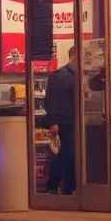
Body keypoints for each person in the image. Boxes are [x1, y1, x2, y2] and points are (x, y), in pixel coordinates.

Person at [44, 47, 77, 195]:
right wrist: (52, 121)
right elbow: (51, 100)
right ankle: (52, 183)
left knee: (73, 154)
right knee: (68, 152)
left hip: (77, 120)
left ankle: (70, 187)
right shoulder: (59, 76)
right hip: (65, 121)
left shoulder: (82, 75)